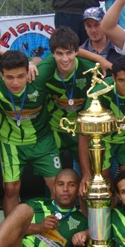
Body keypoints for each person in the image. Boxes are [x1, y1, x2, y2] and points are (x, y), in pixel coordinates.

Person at [0, 51, 61, 214]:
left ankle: (59, 232)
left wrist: (34, 62)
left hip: (42, 141)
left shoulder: (38, 77)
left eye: (20, 76)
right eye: (9, 77)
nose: (16, 82)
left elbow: (61, 51)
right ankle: (12, 231)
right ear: (1, 75)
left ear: (27, 72)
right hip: (12, 143)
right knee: (11, 189)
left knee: (57, 186)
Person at [78, 55, 125, 191]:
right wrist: (86, 173)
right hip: (103, 139)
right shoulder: (99, 92)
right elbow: (84, 134)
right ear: (113, 78)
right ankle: (109, 211)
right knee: (104, 181)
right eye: (121, 80)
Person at [34, 26, 97, 164]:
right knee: (53, 176)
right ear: (52, 54)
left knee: (89, 171)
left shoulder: (90, 70)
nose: (65, 59)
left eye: (69, 53)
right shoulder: (44, 73)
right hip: (54, 130)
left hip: (81, 132)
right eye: (59, 53)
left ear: (76, 52)